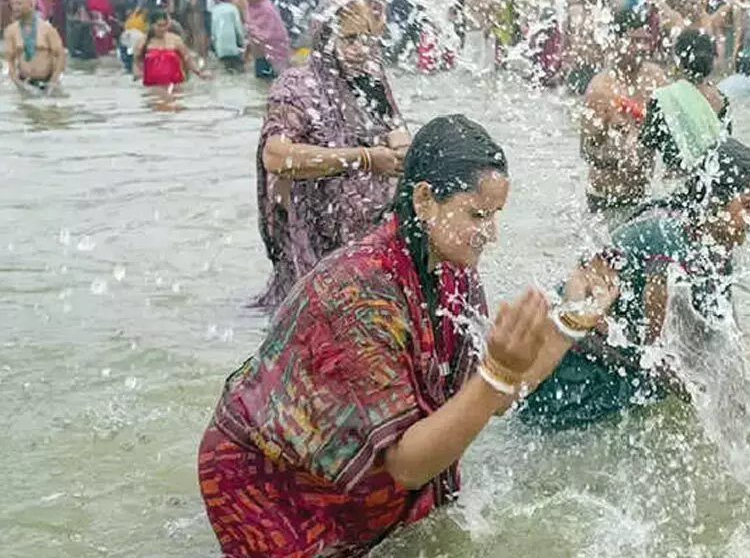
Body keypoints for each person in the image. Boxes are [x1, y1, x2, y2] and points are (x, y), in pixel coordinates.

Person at [199, 115, 618, 557]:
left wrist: (568, 324)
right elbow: (405, 465)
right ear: (424, 200)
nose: (491, 234)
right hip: (272, 488)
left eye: (496, 216)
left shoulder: (454, 275)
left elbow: (483, 399)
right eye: (478, 214)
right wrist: (496, 372)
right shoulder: (358, 292)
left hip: (361, 473)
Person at [520, 138, 750, 440]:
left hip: (622, 368)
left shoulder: (715, 248)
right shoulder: (665, 242)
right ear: (714, 201)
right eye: (749, 205)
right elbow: (662, 357)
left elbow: (726, 333)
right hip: (572, 374)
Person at [254, 0, 412, 309]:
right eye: (350, 39)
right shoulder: (298, 86)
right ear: (326, 39)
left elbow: (397, 132)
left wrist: (404, 156)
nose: (361, 49)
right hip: (312, 240)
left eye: (367, 39)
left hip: (365, 237)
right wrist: (364, 158)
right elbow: (275, 156)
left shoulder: (370, 78)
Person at [580, 8, 669, 228]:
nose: (641, 47)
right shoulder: (600, 89)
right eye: (633, 40)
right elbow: (586, 150)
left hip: (643, 196)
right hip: (606, 198)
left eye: (645, 40)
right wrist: (620, 158)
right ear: (615, 41)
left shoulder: (656, 78)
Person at [640, 29, 728, 175]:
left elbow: (647, 153)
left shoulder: (663, 99)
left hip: (676, 187)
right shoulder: (722, 100)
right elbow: (726, 148)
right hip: (713, 187)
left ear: (679, 61)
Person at [3, 0, 65, 94]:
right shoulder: (10, 31)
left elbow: (60, 55)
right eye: (13, 4)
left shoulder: (47, 29)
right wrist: (17, 83)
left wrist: (53, 81)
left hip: (48, 82)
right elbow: (10, 60)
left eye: (19, 4)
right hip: (24, 82)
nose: (15, 8)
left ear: (31, 5)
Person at [134, 9, 209, 87]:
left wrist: (200, 73)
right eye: (159, 26)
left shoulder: (175, 40)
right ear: (151, 25)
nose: (162, 29)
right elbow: (136, 62)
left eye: (165, 25)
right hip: (151, 86)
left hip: (176, 85)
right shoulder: (142, 42)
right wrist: (138, 76)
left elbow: (187, 59)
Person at [242, 0, 290, 79]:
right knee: (260, 79)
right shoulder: (250, 8)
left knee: (273, 78)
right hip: (259, 52)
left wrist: (260, 37)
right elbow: (251, 30)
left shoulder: (267, 9)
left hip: (273, 50)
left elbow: (275, 32)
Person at [209, 0, 245, 72]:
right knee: (239, 72)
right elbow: (238, 29)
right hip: (233, 48)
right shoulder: (233, 8)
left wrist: (215, 48)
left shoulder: (214, 10)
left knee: (227, 70)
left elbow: (213, 32)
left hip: (220, 48)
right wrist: (242, 43)